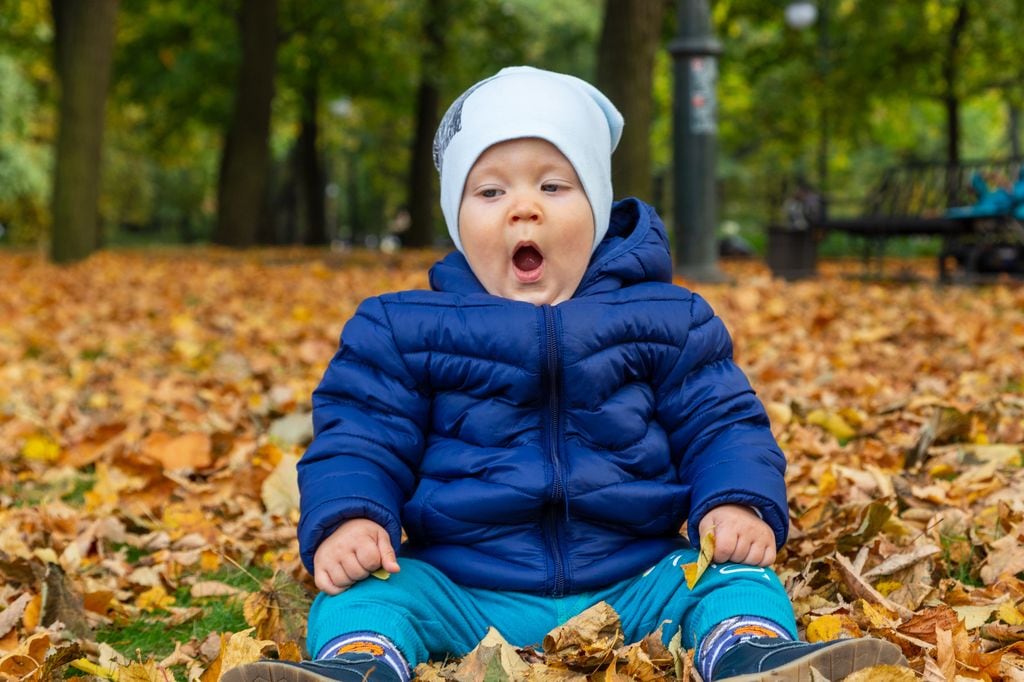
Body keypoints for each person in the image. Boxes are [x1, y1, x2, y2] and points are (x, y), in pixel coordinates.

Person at [224, 67, 906, 682]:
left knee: (732, 576)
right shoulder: (402, 330)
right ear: (459, 221)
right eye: (490, 191)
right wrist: (349, 518)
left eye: (554, 185)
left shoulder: (668, 319)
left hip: (636, 577)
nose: (525, 207)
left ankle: (748, 651)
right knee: (367, 591)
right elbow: (360, 437)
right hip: (464, 590)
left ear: (598, 209)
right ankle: (361, 664)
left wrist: (735, 501)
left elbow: (722, 422)